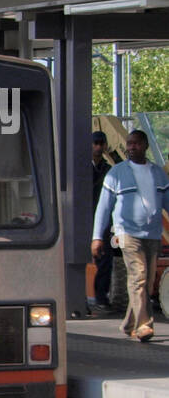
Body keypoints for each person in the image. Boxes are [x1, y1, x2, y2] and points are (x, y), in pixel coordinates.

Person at [92, 128, 169, 341]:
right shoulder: (116, 173)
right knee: (139, 275)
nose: (131, 147)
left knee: (147, 279)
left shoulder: (157, 173)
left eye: (135, 143)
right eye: (129, 143)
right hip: (127, 233)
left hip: (152, 234)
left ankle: (128, 324)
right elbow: (103, 208)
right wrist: (97, 237)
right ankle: (144, 325)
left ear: (145, 146)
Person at [91, 130, 113, 313]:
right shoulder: (81, 168)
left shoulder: (109, 170)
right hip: (83, 217)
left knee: (105, 259)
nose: (98, 147)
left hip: (104, 219)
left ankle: (101, 297)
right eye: (95, 143)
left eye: (101, 143)